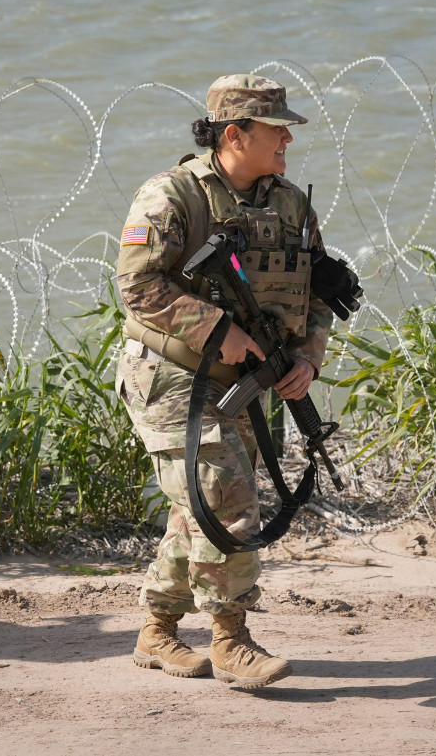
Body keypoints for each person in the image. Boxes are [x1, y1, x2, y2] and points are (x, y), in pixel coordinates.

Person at [114, 74, 333, 689]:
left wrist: (307, 358)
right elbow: (136, 287)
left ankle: (156, 632)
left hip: (244, 382)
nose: (288, 136)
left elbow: (321, 290)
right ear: (234, 134)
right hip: (173, 379)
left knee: (198, 508)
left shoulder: (289, 204)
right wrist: (214, 327)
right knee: (226, 500)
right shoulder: (171, 197)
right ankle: (231, 640)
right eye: (276, 127)